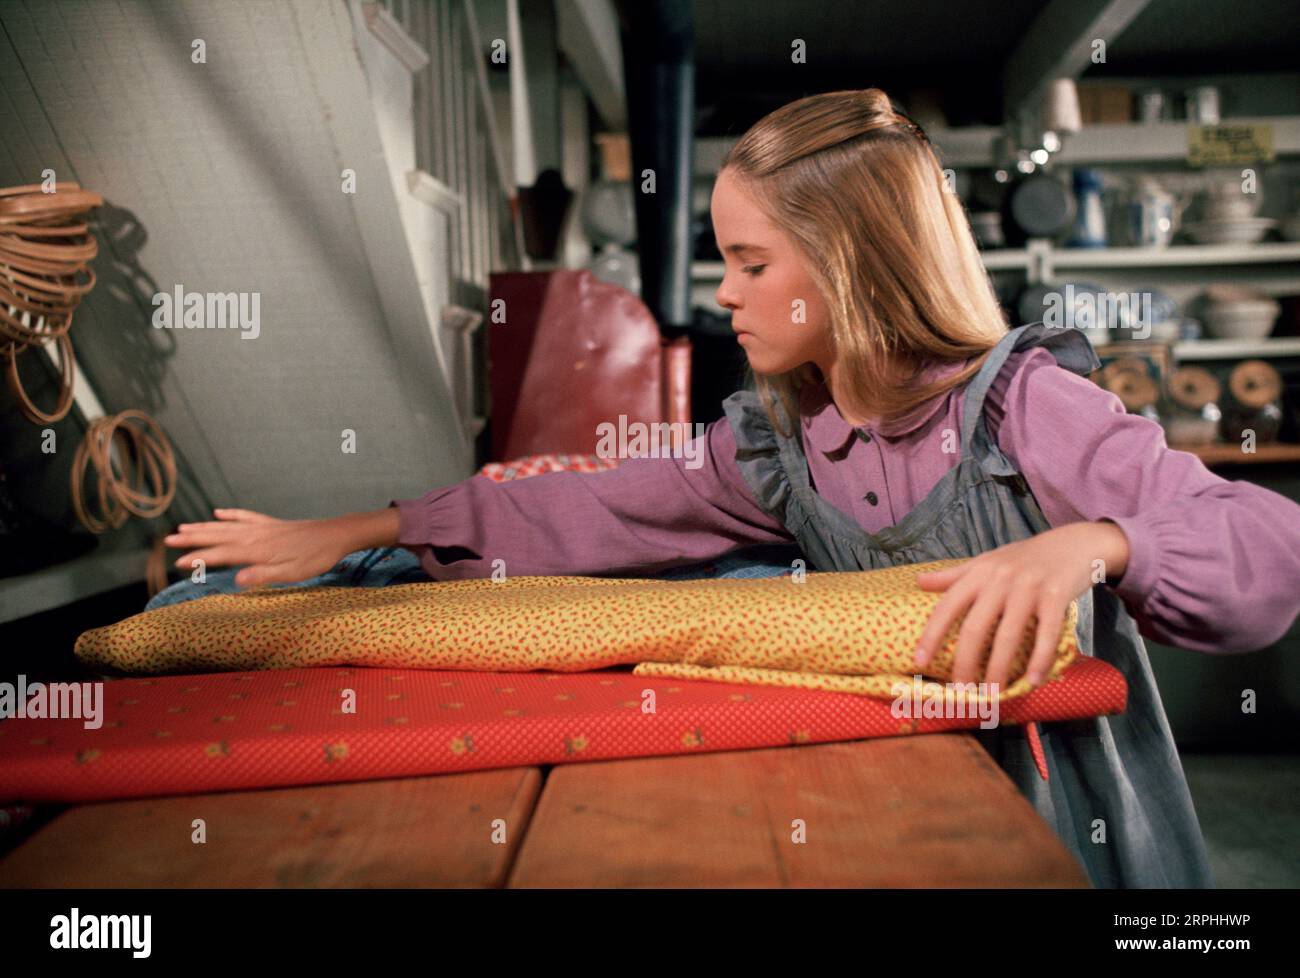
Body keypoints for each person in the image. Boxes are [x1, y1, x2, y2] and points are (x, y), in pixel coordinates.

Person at [159, 88, 1300, 888]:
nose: (726, 291)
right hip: (889, 787)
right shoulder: (780, 438)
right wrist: (368, 530)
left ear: (850, 263)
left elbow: (1264, 548)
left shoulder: (1022, 407)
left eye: (753, 264)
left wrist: (1092, 544)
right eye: (723, 259)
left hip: (1062, 803)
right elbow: (599, 508)